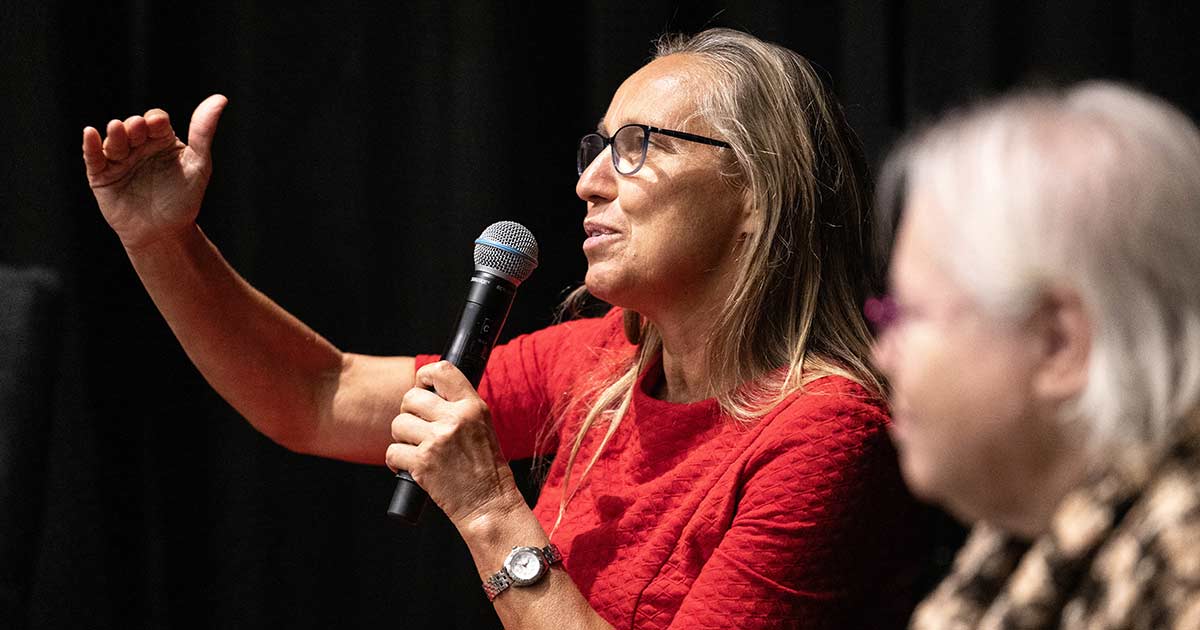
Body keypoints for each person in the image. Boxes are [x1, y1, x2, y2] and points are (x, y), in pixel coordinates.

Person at [84, 28, 931, 628]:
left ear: (756, 191)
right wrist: (162, 239)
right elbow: (315, 396)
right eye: (596, 146)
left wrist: (490, 508)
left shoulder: (826, 439)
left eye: (638, 145)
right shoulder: (600, 358)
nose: (590, 183)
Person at [871, 81, 1200, 628]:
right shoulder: (1024, 537)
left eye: (907, 314)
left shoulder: (1182, 572)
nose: (883, 355)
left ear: (1058, 344)